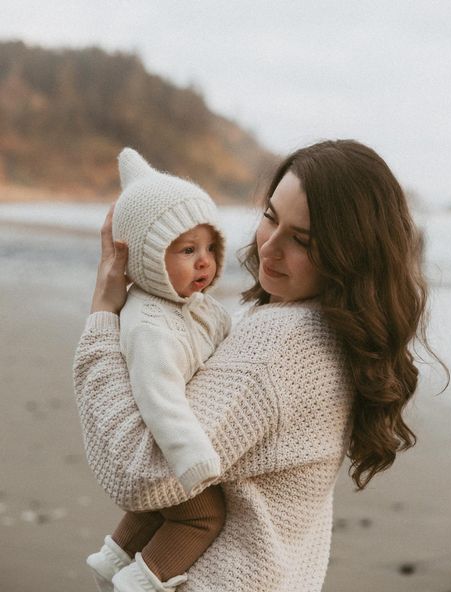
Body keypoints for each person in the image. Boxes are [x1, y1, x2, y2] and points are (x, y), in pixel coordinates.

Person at [74, 139, 435, 592]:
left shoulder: (280, 344)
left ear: (351, 254)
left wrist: (103, 321)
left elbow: (142, 475)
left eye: (301, 240)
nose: (269, 247)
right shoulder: (337, 332)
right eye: (270, 216)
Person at [82, 148, 232, 592]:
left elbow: (222, 340)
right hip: (166, 443)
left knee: (159, 508)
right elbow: (157, 394)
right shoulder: (150, 325)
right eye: (188, 250)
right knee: (203, 514)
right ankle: (143, 581)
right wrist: (193, 459)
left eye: (210, 247)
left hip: (170, 438)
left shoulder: (194, 305)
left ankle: (113, 558)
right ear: (148, 257)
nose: (204, 261)